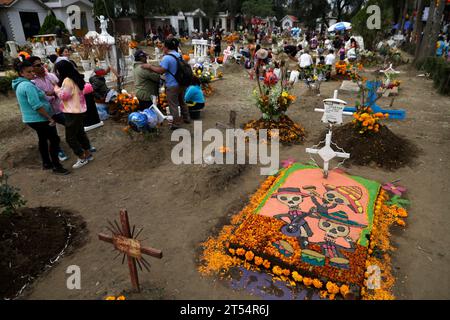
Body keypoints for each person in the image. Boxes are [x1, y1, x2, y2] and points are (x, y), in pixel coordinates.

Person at [11, 59, 69, 175]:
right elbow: (36, 105)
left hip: (32, 119)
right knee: (54, 139)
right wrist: (49, 118)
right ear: (21, 73)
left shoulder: (21, 84)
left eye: (32, 72)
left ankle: (47, 163)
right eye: (29, 72)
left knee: (43, 139)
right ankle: (56, 166)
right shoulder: (27, 86)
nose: (32, 74)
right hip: (39, 118)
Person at [141, 38, 191, 129]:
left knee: (173, 105)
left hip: (172, 85)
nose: (162, 47)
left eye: (163, 46)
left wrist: (149, 67)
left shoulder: (167, 58)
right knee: (182, 101)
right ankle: (187, 117)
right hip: (182, 83)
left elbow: (161, 70)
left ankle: (176, 124)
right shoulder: (179, 55)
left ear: (166, 47)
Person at [54, 60, 94, 169]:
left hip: (72, 112)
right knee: (80, 133)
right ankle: (88, 153)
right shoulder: (75, 77)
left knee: (70, 137)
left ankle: (81, 157)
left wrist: (56, 89)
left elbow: (64, 96)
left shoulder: (67, 80)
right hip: (79, 110)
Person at [29, 56, 69, 162]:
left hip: (59, 108)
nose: (41, 66)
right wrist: (53, 94)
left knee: (70, 124)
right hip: (46, 113)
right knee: (52, 134)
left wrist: (55, 93)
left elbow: (61, 88)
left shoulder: (51, 76)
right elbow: (41, 98)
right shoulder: (32, 83)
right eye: (38, 65)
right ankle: (58, 151)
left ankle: (80, 145)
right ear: (31, 68)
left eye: (41, 64)